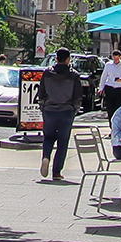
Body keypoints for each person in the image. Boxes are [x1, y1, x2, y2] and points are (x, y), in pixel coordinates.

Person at [38, 48, 84, 181]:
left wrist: (43, 106)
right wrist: (75, 109)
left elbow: (41, 91)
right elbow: (78, 95)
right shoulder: (73, 75)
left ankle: (46, 156)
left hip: (49, 110)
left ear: (56, 58)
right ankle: (57, 171)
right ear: (68, 59)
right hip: (66, 111)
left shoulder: (47, 73)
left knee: (48, 137)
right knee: (62, 142)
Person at [102, 49, 121, 118]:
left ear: (120, 57)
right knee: (110, 108)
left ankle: (118, 124)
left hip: (120, 89)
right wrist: (101, 88)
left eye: (117, 58)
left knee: (119, 109)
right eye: (114, 58)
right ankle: (111, 124)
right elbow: (104, 77)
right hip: (110, 88)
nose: (115, 60)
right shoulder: (108, 65)